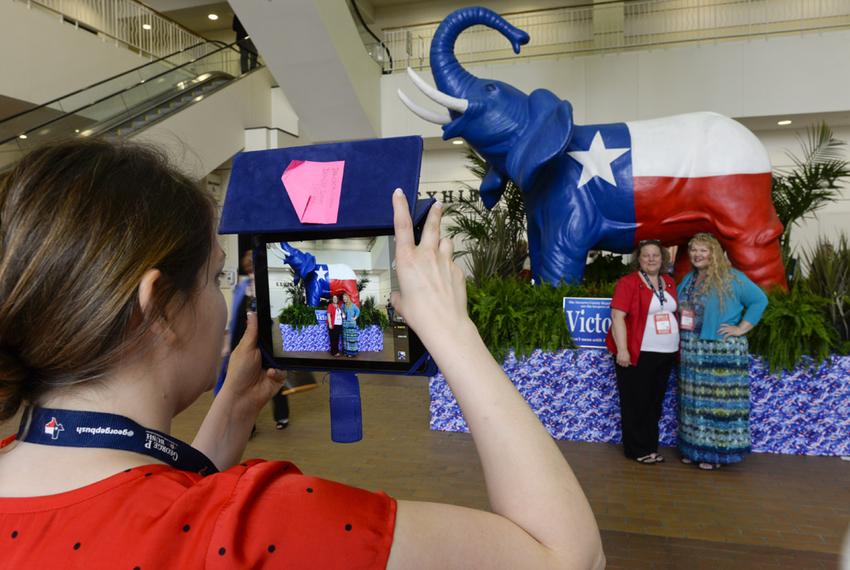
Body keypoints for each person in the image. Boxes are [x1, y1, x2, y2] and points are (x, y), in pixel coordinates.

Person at [0, 140, 604, 569]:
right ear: (158, 307)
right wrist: (452, 329)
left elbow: (153, 508)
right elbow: (567, 556)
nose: (226, 300)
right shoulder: (259, 528)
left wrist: (231, 413)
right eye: (214, 279)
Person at [677, 232, 768, 471]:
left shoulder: (732, 278)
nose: (697, 254)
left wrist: (741, 328)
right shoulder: (689, 279)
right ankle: (693, 449)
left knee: (716, 404)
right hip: (691, 348)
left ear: (714, 253)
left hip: (720, 351)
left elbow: (759, 300)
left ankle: (715, 454)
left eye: (703, 250)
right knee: (693, 402)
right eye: (694, 250)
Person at [605, 240, 679, 464]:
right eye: (646, 255)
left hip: (665, 353)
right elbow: (617, 317)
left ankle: (650, 446)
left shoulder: (668, 282)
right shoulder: (628, 283)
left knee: (654, 403)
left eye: (655, 255)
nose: (651, 259)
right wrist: (623, 350)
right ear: (639, 259)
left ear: (662, 258)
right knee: (636, 402)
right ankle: (637, 449)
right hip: (639, 352)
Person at [216, 248, 291, 430]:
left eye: (253, 264)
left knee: (272, 377)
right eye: (248, 264)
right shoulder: (242, 287)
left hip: (264, 340)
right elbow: (235, 315)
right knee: (242, 382)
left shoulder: (266, 286)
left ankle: (282, 416)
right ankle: (248, 424)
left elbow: (276, 313)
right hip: (241, 341)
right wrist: (229, 341)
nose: (250, 267)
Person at [341, 292, 361, 358]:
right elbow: (342, 313)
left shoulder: (353, 305)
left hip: (351, 324)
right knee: (346, 339)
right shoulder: (343, 306)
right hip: (345, 324)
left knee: (351, 339)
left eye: (345, 297)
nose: (344, 299)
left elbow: (358, 311)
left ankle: (352, 353)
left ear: (348, 298)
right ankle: (347, 352)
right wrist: (342, 315)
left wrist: (355, 317)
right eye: (343, 298)